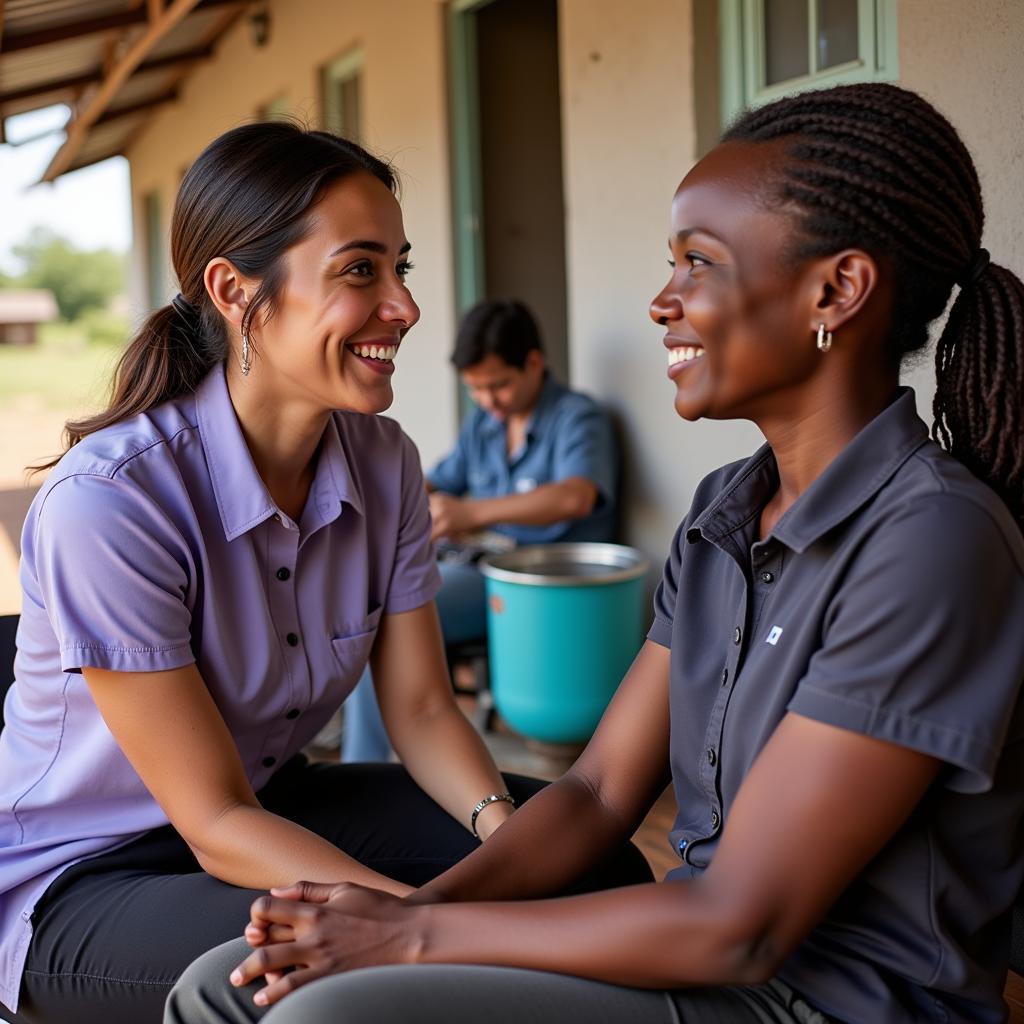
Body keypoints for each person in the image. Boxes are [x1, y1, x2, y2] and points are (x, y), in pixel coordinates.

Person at [166, 82, 1024, 1024]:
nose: (663, 302)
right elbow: (599, 786)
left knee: (321, 1012)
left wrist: (408, 937)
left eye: (697, 263)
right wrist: (402, 917)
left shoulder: (930, 538)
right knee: (228, 985)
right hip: (692, 956)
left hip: (823, 1001)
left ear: (837, 290)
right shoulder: (725, 514)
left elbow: (742, 926)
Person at [0, 123, 579, 1024]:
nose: (405, 307)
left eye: (402, 268)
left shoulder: (385, 462)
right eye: (360, 271)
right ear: (236, 292)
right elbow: (213, 820)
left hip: (273, 804)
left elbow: (424, 711)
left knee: (584, 864)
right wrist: (424, 925)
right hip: (89, 876)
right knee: (380, 975)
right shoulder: (112, 503)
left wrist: (510, 841)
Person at [342, 299, 618, 762]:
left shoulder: (577, 416)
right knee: (359, 597)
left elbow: (576, 496)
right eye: (476, 389)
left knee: (382, 621)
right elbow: (436, 479)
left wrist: (470, 514)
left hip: (539, 588)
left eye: (499, 386)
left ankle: (361, 768)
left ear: (534, 363)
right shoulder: (485, 425)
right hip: (476, 567)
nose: (489, 401)